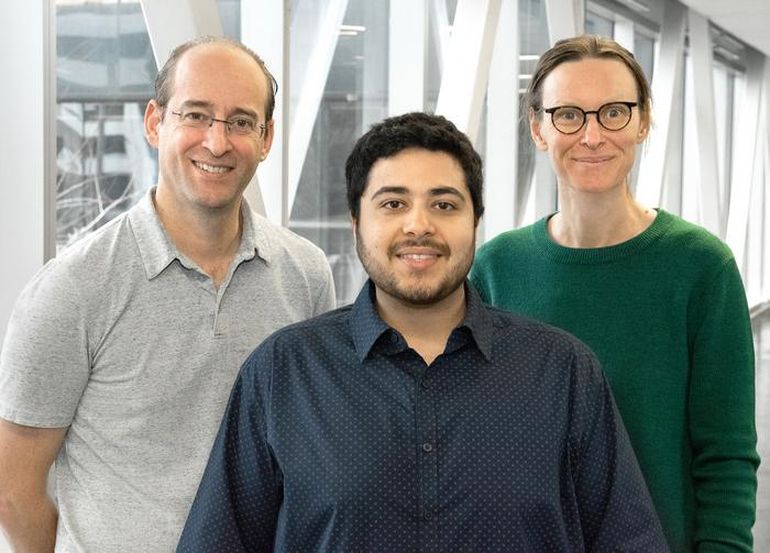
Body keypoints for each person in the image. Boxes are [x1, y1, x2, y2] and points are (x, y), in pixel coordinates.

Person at [176, 112, 667, 551]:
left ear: (476, 221)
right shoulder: (282, 373)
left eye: (445, 205)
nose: (418, 226)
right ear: (355, 222)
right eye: (393, 204)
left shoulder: (564, 373)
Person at [0, 36, 335, 552]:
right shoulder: (72, 288)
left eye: (241, 122)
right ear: (155, 123)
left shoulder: (306, 275)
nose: (217, 143)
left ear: (266, 138)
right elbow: (12, 488)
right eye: (195, 115)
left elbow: (310, 453)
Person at [470, 35, 758, 552]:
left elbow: (726, 457)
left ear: (643, 121)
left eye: (614, 112)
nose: (592, 135)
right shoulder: (496, 268)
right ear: (537, 128)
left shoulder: (701, 266)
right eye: (568, 115)